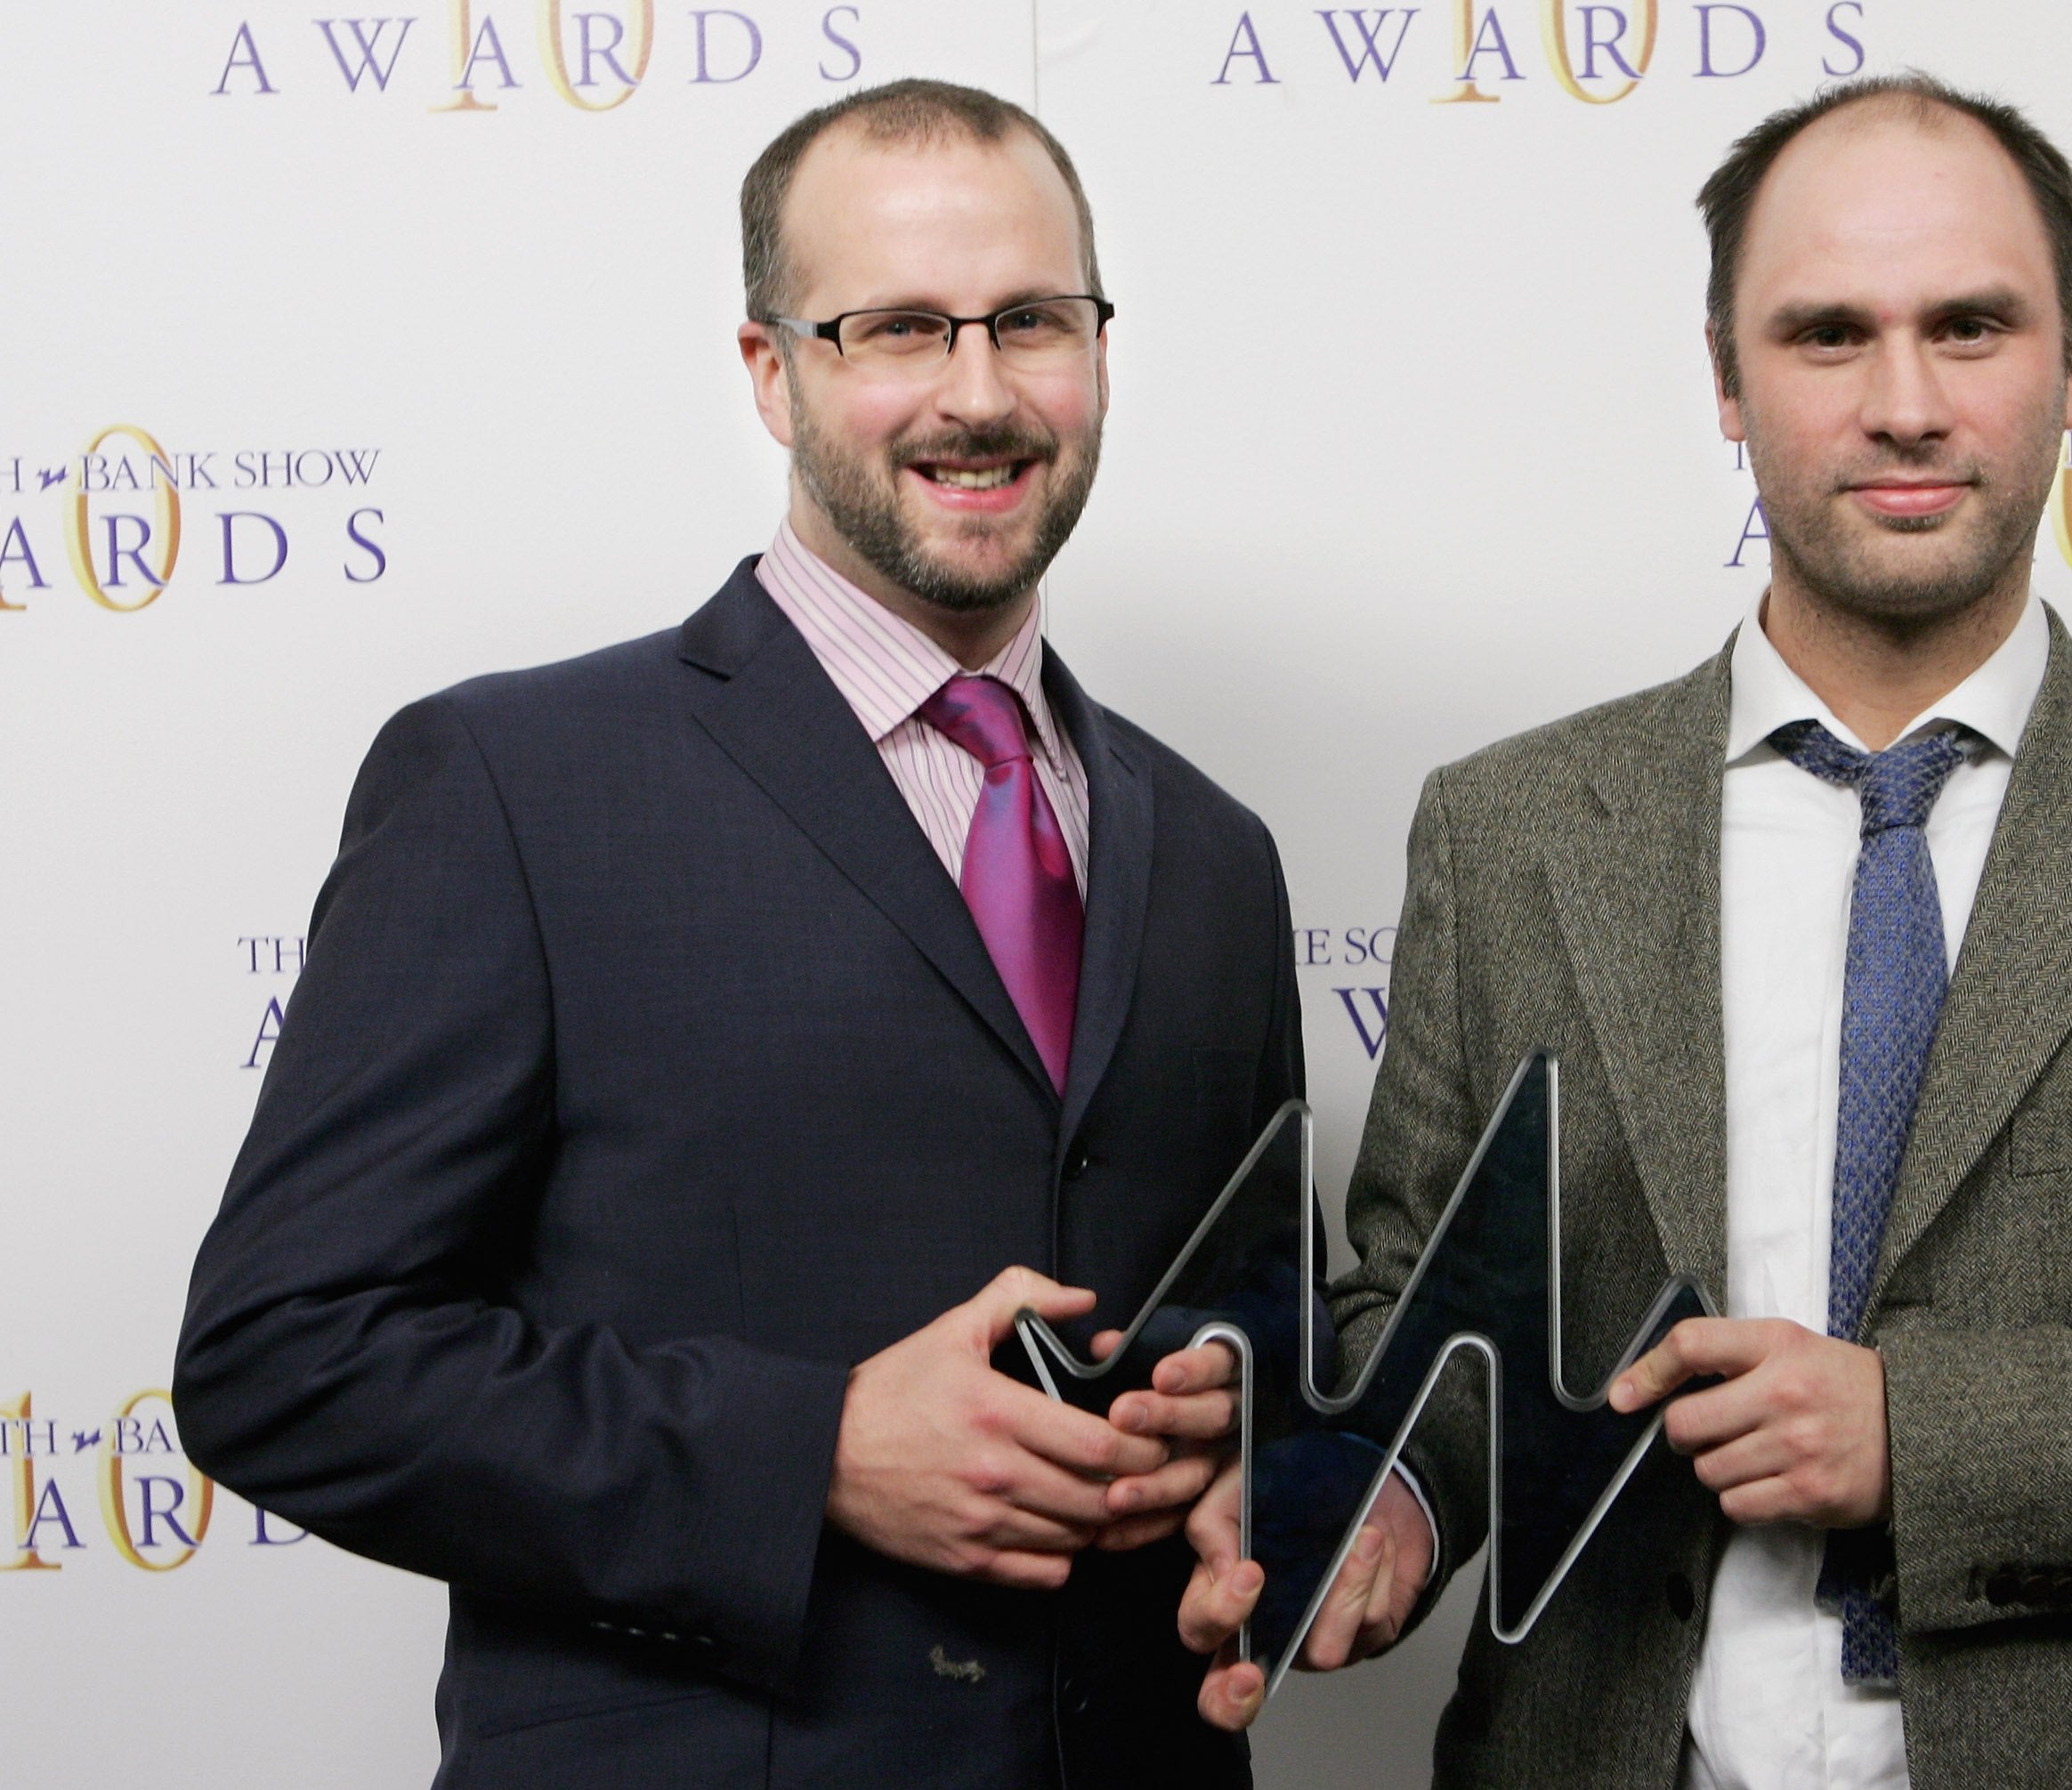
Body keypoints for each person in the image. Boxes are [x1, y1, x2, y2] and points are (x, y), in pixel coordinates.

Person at [1171, 74, 2072, 1789]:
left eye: (1969, 326)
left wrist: (1926, 1439)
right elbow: (1435, 1340)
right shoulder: (1510, 829)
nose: (1905, 403)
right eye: (1827, 336)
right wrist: (1393, 1507)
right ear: (1729, 387)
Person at [174, 79, 1270, 1790]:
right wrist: (812, 1449)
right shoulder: (512, 785)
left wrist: (1234, 1425)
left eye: (1035, 324)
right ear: (773, 372)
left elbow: (1251, 1305)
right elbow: (283, 1359)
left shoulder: (1212, 851)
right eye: (897, 327)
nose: (980, 394)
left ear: (1102, 352)